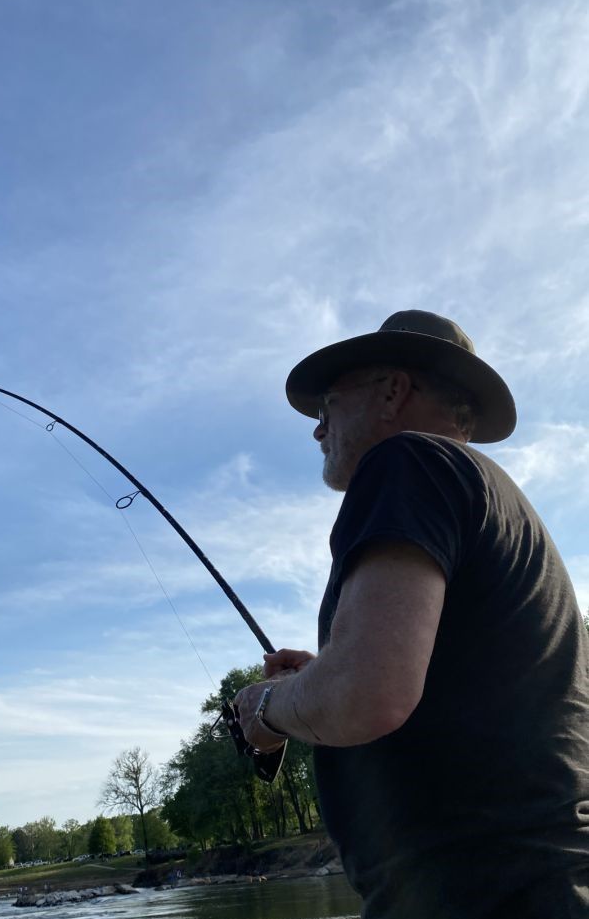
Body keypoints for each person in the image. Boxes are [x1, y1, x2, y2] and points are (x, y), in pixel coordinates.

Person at [233, 310, 589, 918]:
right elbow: (430, 687)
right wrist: (327, 671)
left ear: (393, 391)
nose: (318, 431)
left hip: (487, 896)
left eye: (326, 408)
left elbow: (367, 694)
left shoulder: (407, 461)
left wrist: (264, 710)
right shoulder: (488, 494)